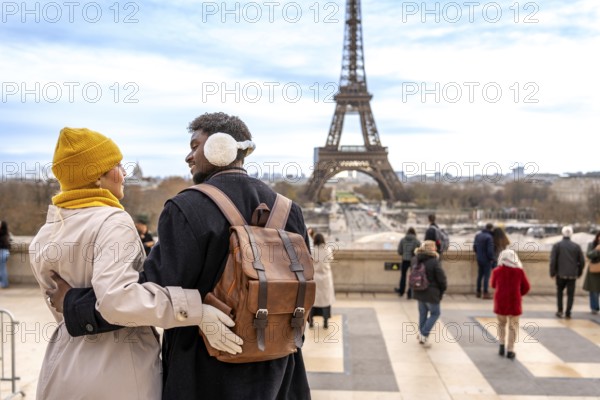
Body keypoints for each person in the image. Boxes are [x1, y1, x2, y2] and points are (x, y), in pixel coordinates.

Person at [47, 113, 312, 399]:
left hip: (205, 372)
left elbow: (150, 290)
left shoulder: (188, 207)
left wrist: (74, 304)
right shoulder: (288, 210)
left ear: (219, 146)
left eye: (195, 145)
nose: (188, 156)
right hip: (278, 368)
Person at [31, 127, 241, 400]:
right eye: (117, 165)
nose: (125, 172)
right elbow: (117, 301)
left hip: (62, 366)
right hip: (117, 372)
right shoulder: (112, 221)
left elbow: (67, 306)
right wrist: (195, 310)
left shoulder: (46, 233)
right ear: (96, 176)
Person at [490, 249, 530, 360]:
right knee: (513, 326)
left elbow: (493, 285)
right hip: (514, 301)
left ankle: (501, 344)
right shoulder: (519, 271)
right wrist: (519, 294)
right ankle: (510, 349)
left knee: (501, 324)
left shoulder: (497, 271)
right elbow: (526, 287)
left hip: (501, 301)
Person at [412, 240, 447, 348]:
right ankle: (423, 334)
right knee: (435, 313)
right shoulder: (434, 261)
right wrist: (442, 290)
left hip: (419, 291)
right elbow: (441, 279)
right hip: (431, 293)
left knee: (423, 314)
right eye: (434, 247)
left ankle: (422, 336)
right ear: (431, 249)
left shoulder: (415, 260)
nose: (436, 248)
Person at [550, 225, 585, 319]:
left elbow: (553, 260)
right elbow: (581, 261)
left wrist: (552, 272)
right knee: (570, 295)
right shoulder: (576, 246)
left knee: (560, 293)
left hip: (560, 274)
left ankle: (560, 310)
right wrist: (579, 272)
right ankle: (568, 312)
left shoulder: (557, 245)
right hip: (572, 275)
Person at [308, 233, 335, 329]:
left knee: (313, 301)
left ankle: (311, 321)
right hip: (326, 278)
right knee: (325, 301)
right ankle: (326, 321)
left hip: (315, 277)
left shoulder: (312, 250)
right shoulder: (327, 250)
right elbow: (331, 259)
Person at [395, 227, 421, 298]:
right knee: (412, 277)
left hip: (405, 260)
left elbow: (399, 251)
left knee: (403, 276)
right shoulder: (416, 241)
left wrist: (404, 253)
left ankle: (401, 291)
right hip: (413, 261)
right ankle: (410, 293)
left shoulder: (403, 240)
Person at [473, 223, 495, 299]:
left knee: (480, 275)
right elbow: (490, 251)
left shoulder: (478, 235)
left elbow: (474, 247)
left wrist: (478, 254)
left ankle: (478, 292)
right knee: (486, 276)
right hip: (486, 259)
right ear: (491, 228)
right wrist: (492, 258)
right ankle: (485, 292)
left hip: (479, 258)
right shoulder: (489, 237)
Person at [583, 231, 600, 315]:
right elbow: (589, 255)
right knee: (594, 291)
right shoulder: (592, 244)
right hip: (594, 270)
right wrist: (596, 250)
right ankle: (594, 307)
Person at [0, 220, 11, 288]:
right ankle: (4, 283)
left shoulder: (2, 234)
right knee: (2, 269)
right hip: (5, 252)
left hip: (2, 252)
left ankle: (4, 283)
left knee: (2, 269)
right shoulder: (6, 234)